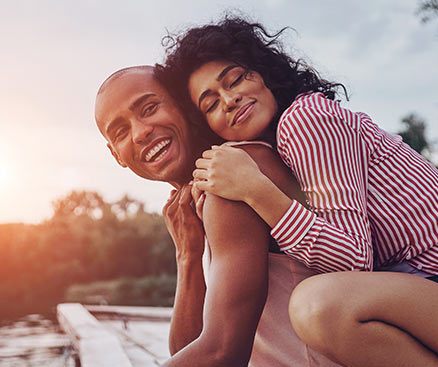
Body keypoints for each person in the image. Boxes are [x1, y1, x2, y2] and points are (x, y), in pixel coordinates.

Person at [156, 16, 438, 366]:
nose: (229, 100)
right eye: (210, 104)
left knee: (318, 306)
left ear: (262, 73)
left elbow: (354, 262)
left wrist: (257, 191)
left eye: (235, 79)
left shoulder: (305, 120)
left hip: (431, 275)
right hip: (421, 289)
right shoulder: (268, 154)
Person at [94, 65, 342, 366]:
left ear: (184, 104)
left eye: (149, 108)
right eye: (121, 132)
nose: (141, 132)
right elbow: (186, 348)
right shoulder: (201, 197)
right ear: (116, 154)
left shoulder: (237, 173)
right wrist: (187, 256)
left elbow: (223, 353)